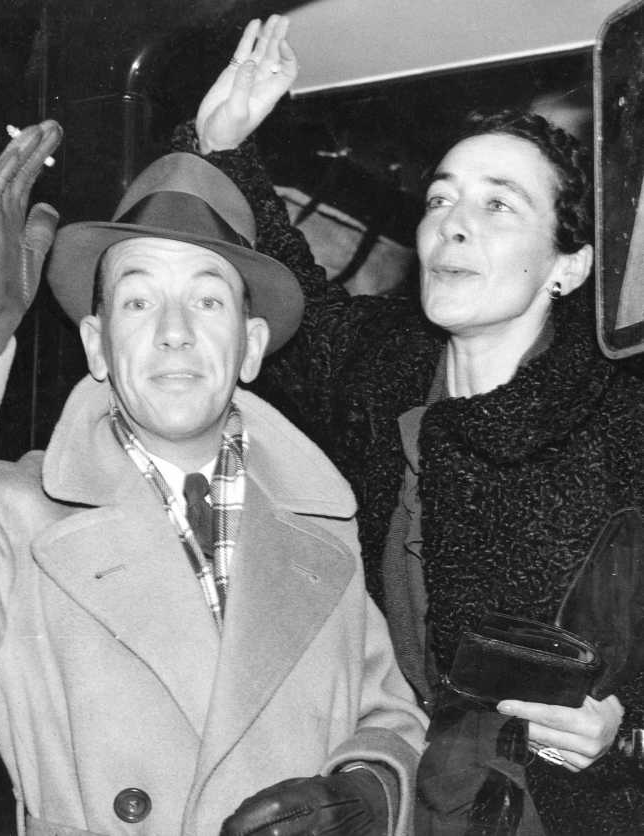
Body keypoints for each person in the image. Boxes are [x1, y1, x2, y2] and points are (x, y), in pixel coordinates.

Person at [175, 15, 644, 835]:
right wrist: (221, 146)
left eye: (499, 205)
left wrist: (626, 734)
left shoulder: (620, 417)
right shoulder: (383, 364)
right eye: (440, 199)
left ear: (569, 265)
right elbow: (290, 281)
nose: (451, 224)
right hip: (383, 786)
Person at [0, 117, 429, 834]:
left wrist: (369, 792)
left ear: (250, 348)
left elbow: (389, 716)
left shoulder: (323, 525)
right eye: (137, 299)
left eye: (209, 299)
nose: (174, 329)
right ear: (97, 344)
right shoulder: (12, 516)